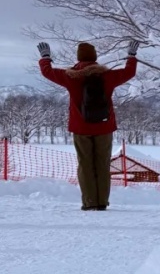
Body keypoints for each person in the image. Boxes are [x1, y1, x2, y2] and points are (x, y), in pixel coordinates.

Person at [38, 40, 138, 211]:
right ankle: (102, 203)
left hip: (81, 128)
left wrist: (45, 57)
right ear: (95, 57)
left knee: (85, 165)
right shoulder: (108, 76)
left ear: (78, 58)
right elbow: (129, 72)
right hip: (104, 127)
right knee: (102, 164)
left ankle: (89, 201)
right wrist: (131, 56)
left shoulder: (71, 77)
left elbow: (48, 72)